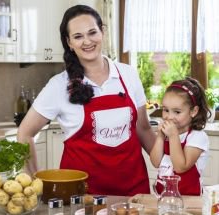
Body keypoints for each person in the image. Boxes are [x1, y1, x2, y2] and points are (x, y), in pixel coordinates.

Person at [17, 4, 156, 196]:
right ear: (69, 42)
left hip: (133, 194)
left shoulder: (128, 74)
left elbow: (144, 129)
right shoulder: (59, 85)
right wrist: (34, 184)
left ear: (103, 32)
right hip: (82, 198)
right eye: (78, 36)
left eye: (92, 32)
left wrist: (168, 165)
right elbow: (25, 132)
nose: (87, 41)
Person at [150, 77, 210, 195]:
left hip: (189, 201)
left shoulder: (197, 137)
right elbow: (155, 162)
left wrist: (173, 136)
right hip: (163, 197)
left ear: (193, 111)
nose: (169, 116)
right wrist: (160, 137)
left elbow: (180, 167)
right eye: (166, 110)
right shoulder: (167, 133)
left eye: (177, 112)